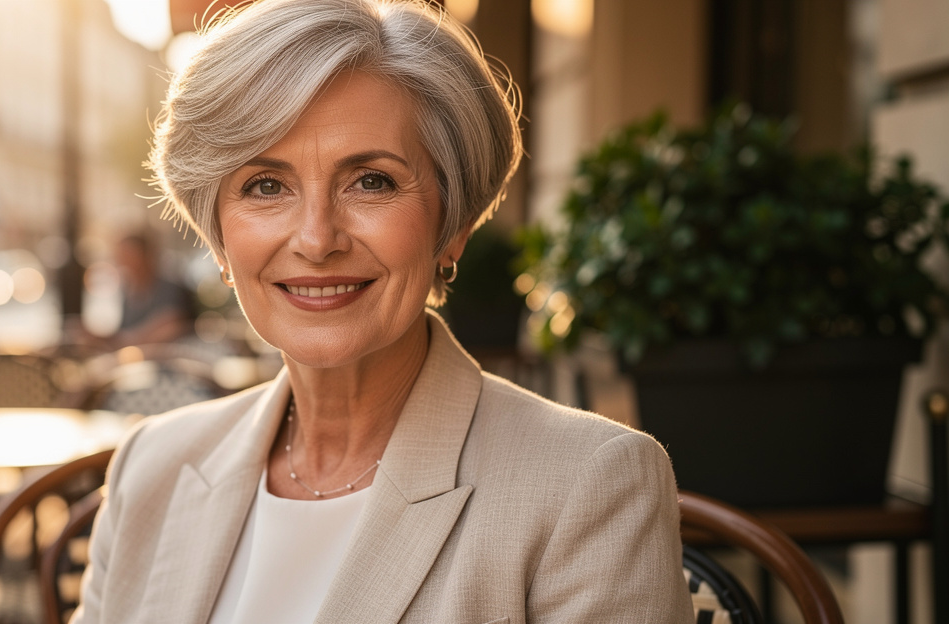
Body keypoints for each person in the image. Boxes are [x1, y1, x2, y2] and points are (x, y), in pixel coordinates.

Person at [74, 0, 692, 622]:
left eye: (371, 181)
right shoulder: (149, 466)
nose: (317, 240)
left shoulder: (591, 484)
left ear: (451, 228)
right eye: (266, 185)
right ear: (219, 239)